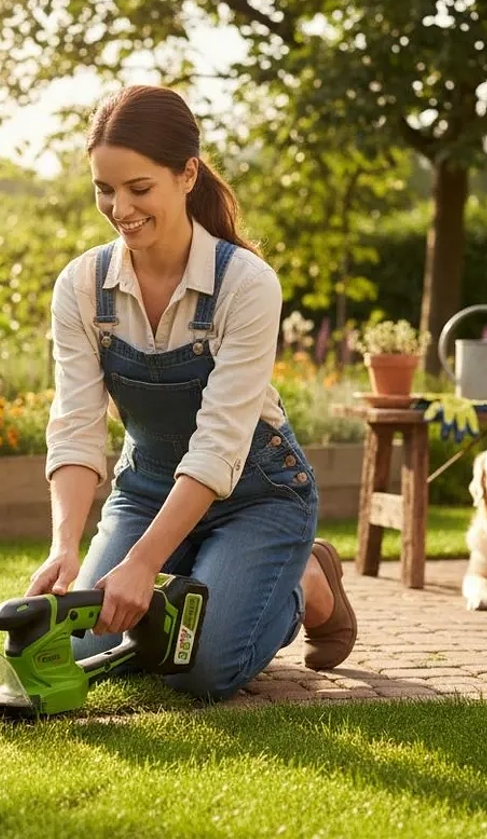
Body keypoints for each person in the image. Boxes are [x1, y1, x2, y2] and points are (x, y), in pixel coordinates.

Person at [26, 84, 357, 702]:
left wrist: (143, 563)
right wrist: (64, 545)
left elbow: (219, 444)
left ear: (187, 175)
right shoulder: (82, 286)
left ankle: (306, 580)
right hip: (148, 487)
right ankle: (208, 578)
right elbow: (75, 424)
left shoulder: (246, 284)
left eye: (139, 188)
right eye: (104, 189)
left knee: (199, 670)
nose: (120, 208)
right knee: (86, 645)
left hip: (257, 495)